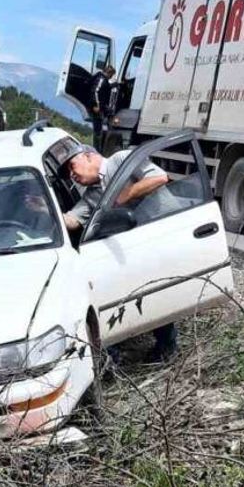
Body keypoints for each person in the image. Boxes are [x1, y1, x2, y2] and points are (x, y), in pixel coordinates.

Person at [48, 143, 178, 361]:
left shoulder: (121, 160)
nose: (72, 175)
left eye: (72, 166)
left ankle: (168, 346)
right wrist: (45, 211)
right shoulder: (93, 194)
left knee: (156, 289)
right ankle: (152, 347)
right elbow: (72, 220)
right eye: (68, 173)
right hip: (137, 245)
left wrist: (126, 194)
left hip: (164, 233)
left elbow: (160, 177)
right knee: (144, 289)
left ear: (88, 156)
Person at [88, 64, 116, 151]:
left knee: (99, 128)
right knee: (97, 130)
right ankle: (96, 149)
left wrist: (114, 85)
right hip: (97, 108)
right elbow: (95, 91)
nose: (111, 77)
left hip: (101, 107)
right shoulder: (101, 79)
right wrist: (96, 105)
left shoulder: (103, 80)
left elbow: (105, 88)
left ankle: (99, 148)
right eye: (111, 75)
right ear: (108, 73)